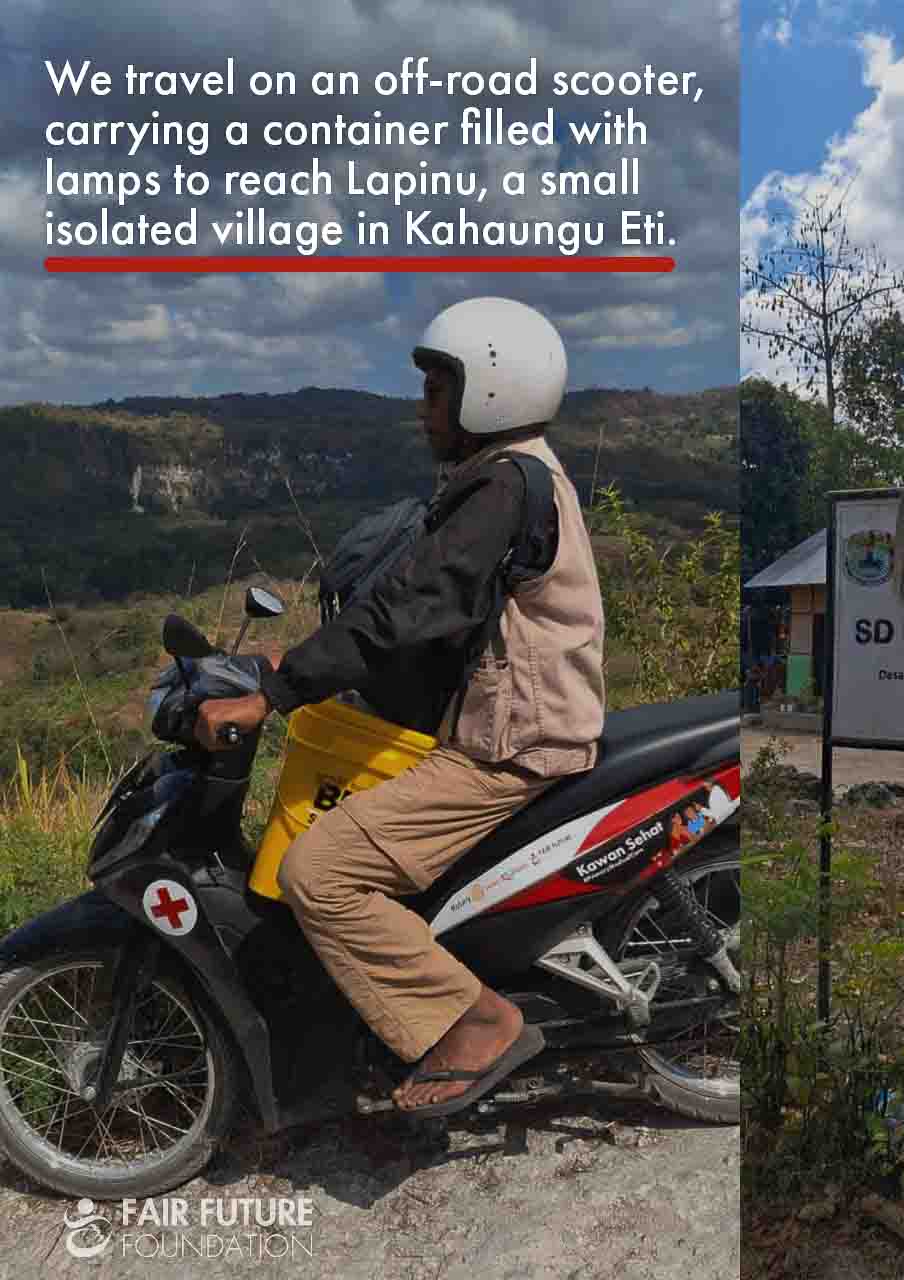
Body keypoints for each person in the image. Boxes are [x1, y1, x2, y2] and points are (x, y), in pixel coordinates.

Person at [194, 296, 606, 1114]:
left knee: (322, 870)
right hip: (501, 724)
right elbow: (422, 613)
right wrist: (297, 659)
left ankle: (478, 1023)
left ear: (491, 389)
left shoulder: (503, 488)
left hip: (510, 746)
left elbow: (412, 605)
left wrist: (275, 693)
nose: (421, 410)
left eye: (435, 391)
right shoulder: (511, 474)